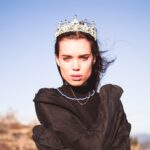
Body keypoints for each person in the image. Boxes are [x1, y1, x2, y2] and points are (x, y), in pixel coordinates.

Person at [32, 16, 131, 150]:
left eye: (83, 58)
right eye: (67, 58)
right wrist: (110, 96)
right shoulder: (49, 100)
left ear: (94, 59)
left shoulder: (109, 103)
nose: (76, 66)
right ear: (57, 60)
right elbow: (93, 146)